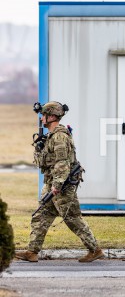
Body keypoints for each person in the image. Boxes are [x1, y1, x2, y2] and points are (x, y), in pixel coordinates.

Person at [16, 101, 104, 263]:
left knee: (72, 218)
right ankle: (32, 251)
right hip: (52, 182)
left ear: (52, 116)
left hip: (62, 185)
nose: (42, 118)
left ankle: (95, 249)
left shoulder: (60, 136)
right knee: (41, 215)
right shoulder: (51, 135)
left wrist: (56, 186)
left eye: (44, 115)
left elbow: (62, 163)